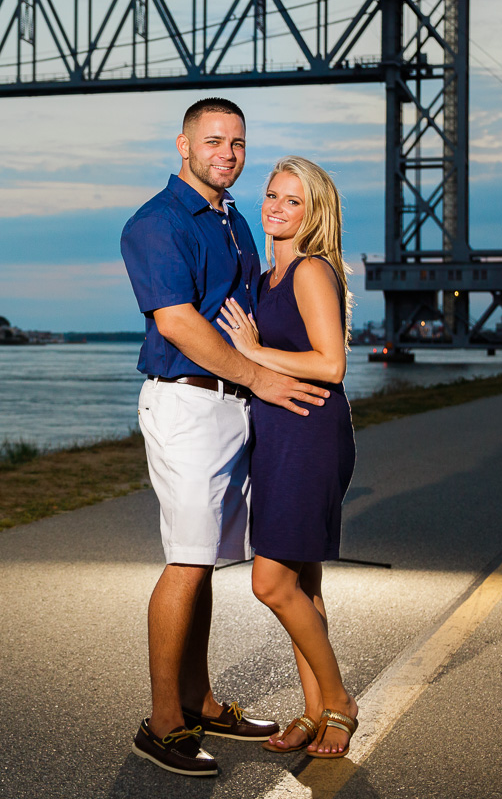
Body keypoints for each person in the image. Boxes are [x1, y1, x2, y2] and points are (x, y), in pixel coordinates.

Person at [120, 99, 329, 777]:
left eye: (237, 142)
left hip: (233, 403)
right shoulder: (155, 223)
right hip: (187, 405)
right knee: (186, 559)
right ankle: (162, 723)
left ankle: (201, 700)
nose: (227, 153)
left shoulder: (233, 217)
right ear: (183, 144)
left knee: (205, 557)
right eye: (213, 141)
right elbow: (179, 323)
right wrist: (263, 380)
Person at [215, 156, 359, 760]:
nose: (276, 206)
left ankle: (339, 700)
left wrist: (251, 351)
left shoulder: (309, 272)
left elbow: (331, 365)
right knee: (304, 581)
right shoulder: (265, 277)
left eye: (292, 200)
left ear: (315, 211)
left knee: (270, 582)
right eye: (272, 195)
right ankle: (314, 711)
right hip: (276, 432)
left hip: (308, 431)